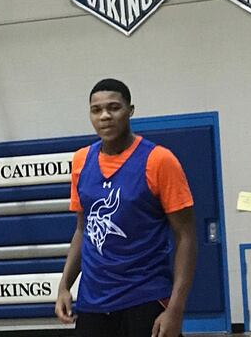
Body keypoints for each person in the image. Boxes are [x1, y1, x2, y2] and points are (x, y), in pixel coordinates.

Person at [55, 79, 197, 337]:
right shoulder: (81, 160)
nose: (105, 116)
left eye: (113, 107)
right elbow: (83, 229)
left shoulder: (159, 160)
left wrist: (176, 308)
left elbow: (186, 235)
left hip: (145, 296)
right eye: (96, 110)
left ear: (130, 110)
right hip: (93, 301)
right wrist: (64, 285)